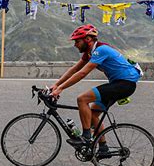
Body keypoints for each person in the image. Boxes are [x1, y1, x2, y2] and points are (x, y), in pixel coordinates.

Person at [50, 24, 141, 157]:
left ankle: (86, 137)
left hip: (124, 84)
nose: (75, 44)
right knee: (92, 115)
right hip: (121, 84)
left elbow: (82, 73)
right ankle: (104, 149)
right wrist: (56, 85)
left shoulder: (101, 50)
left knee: (82, 99)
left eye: (77, 41)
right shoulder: (90, 52)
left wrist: (61, 89)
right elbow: (74, 69)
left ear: (88, 39)